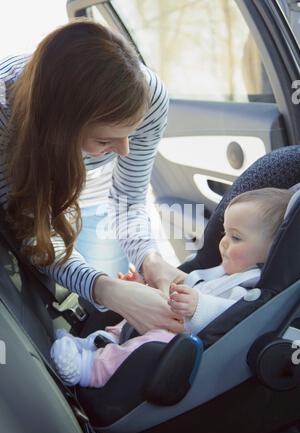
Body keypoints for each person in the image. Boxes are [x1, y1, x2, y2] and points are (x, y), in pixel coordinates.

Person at [0, 19, 185, 336]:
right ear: (62, 128)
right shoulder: (6, 125)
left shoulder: (149, 97)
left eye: (132, 133)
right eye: (105, 141)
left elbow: (128, 200)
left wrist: (149, 258)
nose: (124, 151)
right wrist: (104, 289)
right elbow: (35, 231)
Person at [51, 187, 292, 387]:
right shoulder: (221, 273)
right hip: (170, 319)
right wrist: (143, 286)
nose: (223, 242)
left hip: (183, 340)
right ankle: (96, 342)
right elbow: (180, 288)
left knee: (153, 342)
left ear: (274, 249)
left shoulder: (250, 286)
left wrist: (199, 305)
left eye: (236, 237)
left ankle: (89, 370)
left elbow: (234, 316)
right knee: (132, 314)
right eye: (225, 233)